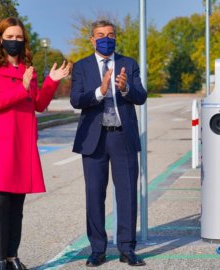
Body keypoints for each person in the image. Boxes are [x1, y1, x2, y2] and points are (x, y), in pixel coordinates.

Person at [0, 17, 71, 270]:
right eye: (10, 37)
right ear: (0, 39)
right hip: (0, 144)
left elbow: (39, 104)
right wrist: (23, 86)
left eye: (19, 37)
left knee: (17, 205)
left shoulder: (26, 68)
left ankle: (12, 256)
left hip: (23, 143)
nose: (15, 41)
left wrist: (52, 81)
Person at [70, 20, 147, 267]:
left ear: (116, 37)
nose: (106, 38)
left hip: (122, 136)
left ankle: (127, 248)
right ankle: (97, 249)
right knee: (94, 195)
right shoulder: (81, 67)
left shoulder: (129, 64)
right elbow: (76, 100)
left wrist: (125, 89)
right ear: (92, 39)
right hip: (94, 139)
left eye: (111, 35)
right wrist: (100, 91)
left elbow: (141, 96)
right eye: (101, 35)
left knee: (126, 194)